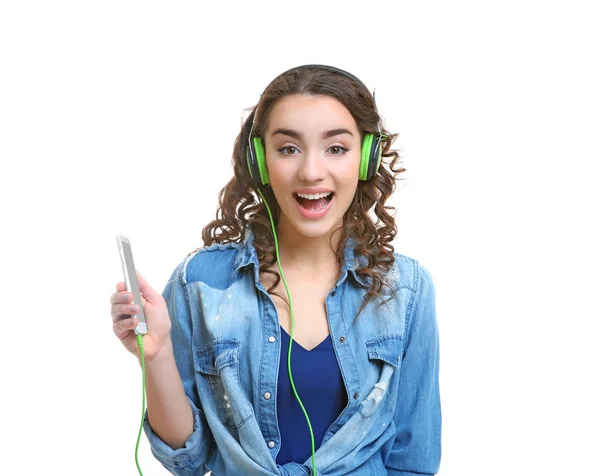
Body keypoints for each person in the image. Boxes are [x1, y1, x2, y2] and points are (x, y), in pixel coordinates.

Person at [110, 64, 441, 475]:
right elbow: (188, 457)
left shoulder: (406, 290)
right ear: (261, 161)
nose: (311, 172)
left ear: (365, 158)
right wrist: (155, 356)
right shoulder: (200, 283)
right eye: (288, 149)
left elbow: (414, 459)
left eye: (336, 148)